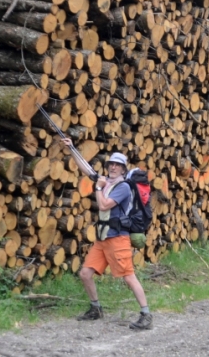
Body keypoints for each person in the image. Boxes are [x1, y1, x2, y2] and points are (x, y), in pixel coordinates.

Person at [62, 140, 152, 330]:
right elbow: (87, 170)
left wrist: (97, 188)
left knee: (128, 276)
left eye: (117, 165)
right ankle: (96, 309)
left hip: (118, 238)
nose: (113, 166)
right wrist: (71, 148)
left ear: (122, 169)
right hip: (103, 239)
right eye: (111, 163)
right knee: (85, 273)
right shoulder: (107, 181)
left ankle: (146, 315)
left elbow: (103, 205)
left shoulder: (124, 187)